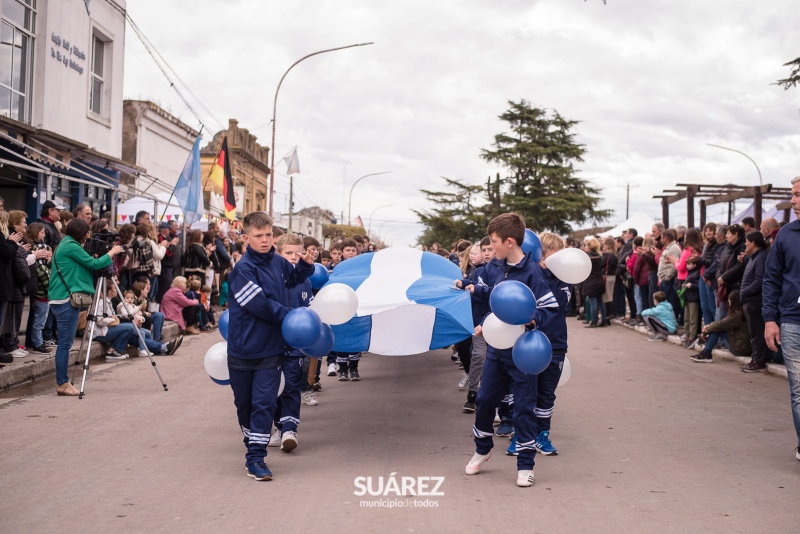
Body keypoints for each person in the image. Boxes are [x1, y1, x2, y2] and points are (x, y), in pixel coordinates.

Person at [465, 213, 559, 487]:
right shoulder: (495, 267)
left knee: (522, 408)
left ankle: (526, 464)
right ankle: (482, 448)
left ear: (509, 241)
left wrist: (533, 320)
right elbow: (496, 306)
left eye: (493, 242)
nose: (490, 247)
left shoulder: (533, 272)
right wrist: (485, 324)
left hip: (523, 353)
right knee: (483, 401)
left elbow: (550, 308)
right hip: (497, 350)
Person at [226, 211, 314, 481]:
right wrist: (290, 315)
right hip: (242, 350)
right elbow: (260, 305)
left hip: (271, 349)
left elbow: (292, 280)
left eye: (268, 235)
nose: (265, 240)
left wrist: (306, 266)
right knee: (244, 406)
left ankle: (256, 458)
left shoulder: (277, 261)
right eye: (258, 236)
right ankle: (251, 443)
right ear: (246, 237)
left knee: (263, 404)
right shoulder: (241, 270)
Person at [508, 232, 571, 457]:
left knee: (546, 393)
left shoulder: (564, 279)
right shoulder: (528, 276)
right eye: (548, 259)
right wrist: (538, 275)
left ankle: (542, 434)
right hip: (527, 342)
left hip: (555, 343)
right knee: (524, 392)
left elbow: (560, 304)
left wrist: (550, 277)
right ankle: (521, 435)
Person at [48, 218, 124, 395]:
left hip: (63, 298)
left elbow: (85, 264)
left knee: (65, 343)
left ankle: (63, 382)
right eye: (87, 232)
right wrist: (112, 252)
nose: (89, 235)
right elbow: (94, 265)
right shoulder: (71, 246)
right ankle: (62, 383)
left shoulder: (66, 244)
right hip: (66, 299)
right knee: (65, 344)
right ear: (82, 233)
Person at [763, 176, 800, 460]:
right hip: (792, 322)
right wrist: (770, 320)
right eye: (793, 195)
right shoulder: (786, 235)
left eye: (798, 195)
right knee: (799, 388)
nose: (793, 201)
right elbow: (771, 279)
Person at [268, 234, 314, 451]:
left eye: (298, 253)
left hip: (295, 345)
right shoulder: (270, 279)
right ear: (278, 254)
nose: (294, 258)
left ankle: (289, 428)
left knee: (292, 385)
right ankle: (277, 425)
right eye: (288, 253)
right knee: (273, 388)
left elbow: (310, 310)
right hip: (271, 343)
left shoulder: (305, 281)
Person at [458, 237, 494, 412]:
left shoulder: (502, 270)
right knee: (478, 356)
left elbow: (494, 292)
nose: (486, 253)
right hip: (479, 321)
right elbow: (475, 285)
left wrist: (476, 289)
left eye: (489, 249)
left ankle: (499, 402)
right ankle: (472, 394)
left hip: (498, 323)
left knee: (496, 360)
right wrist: (464, 284)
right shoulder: (479, 271)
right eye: (484, 250)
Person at [331, 238, 362, 380]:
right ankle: (342, 369)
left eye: (353, 250)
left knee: (355, 335)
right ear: (342, 252)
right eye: (348, 250)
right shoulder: (337, 268)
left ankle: (354, 368)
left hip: (357, 305)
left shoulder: (361, 268)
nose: (351, 253)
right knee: (342, 335)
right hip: (340, 305)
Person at [738, 231, 769, 372]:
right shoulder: (753, 257)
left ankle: (759, 361)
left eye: (747, 241)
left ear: (754, 243)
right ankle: (755, 358)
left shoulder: (761, 257)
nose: (745, 244)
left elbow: (759, 281)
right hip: (749, 301)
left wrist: (744, 292)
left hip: (755, 301)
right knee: (753, 332)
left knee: (757, 332)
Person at [691, 291, 751, 363]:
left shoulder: (737, 315)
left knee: (718, 329)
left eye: (729, 301)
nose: (728, 304)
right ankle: (706, 352)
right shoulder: (741, 313)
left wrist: (706, 329)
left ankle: (706, 353)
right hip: (744, 346)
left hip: (741, 348)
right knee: (717, 328)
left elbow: (720, 324)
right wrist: (708, 327)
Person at [23, 222, 52, 354]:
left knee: (37, 319)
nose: (44, 235)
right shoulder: (39, 249)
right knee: (39, 321)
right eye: (42, 232)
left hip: (40, 293)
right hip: (42, 293)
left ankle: (33, 342)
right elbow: (42, 272)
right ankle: (37, 343)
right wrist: (50, 287)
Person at [582, 237, 606, 328]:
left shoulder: (587, 257)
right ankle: (604, 320)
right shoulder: (600, 256)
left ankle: (594, 321)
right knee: (600, 300)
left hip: (590, 281)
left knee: (593, 301)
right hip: (599, 280)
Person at [657, 229, 681, 319]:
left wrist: (667, 277)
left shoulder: (674, 248)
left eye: (662, 238)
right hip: (664, 280)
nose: (661, 240)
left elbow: (673, 265)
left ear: (666, 238)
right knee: (665, 303)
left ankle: (672, 321)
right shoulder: (668, 248)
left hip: (669, 281)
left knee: (670, 303)